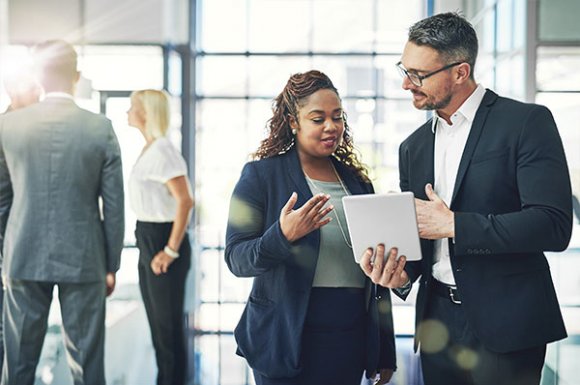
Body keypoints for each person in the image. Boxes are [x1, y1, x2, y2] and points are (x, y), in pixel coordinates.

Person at [358, 12, 573, 385]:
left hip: (508, 327)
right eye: (404, 70)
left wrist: (455, 224)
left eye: (419, 75)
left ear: (460, 72)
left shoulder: (526, 123)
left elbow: (553, 225)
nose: (407, 84)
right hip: (438, 325)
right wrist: (400, 275)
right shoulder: (413, 147)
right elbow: (423, 247)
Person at [225, 70, 396, 385]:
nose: (331, 127)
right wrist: (282, 235)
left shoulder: (358, 183)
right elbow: (236, 258)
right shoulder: (261, 177)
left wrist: (384, 350)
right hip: (283, 339)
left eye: (337, 117)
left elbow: (376, 274)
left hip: (348, 342)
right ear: (294, 122)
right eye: (318, 119)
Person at [0, 40, 124, 385]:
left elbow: (1, 200)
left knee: (18, 368)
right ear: (77, 76)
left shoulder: (7, 126)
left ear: (38, 77)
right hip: (85, 259)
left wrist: (6, 251)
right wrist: (111, 265)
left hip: (22, 256)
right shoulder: (101, 128)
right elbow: (113, 205)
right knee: (87, 368)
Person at [127, 89, 194, 385]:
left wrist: (170, 250)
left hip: (163, 238)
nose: (127, 111)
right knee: (159, 331)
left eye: (132, 106)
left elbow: (185, 201)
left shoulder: (164, 151)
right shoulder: (150, 149)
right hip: (147, 237)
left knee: (168, 332)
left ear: (146, 113)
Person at [0, 68, 41, 378]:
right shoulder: (6, 129)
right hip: (10, 246)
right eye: (31, 89)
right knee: (7, 330)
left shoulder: (33, 128)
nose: (39, 93)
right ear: (14, 93)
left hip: (27, 248)